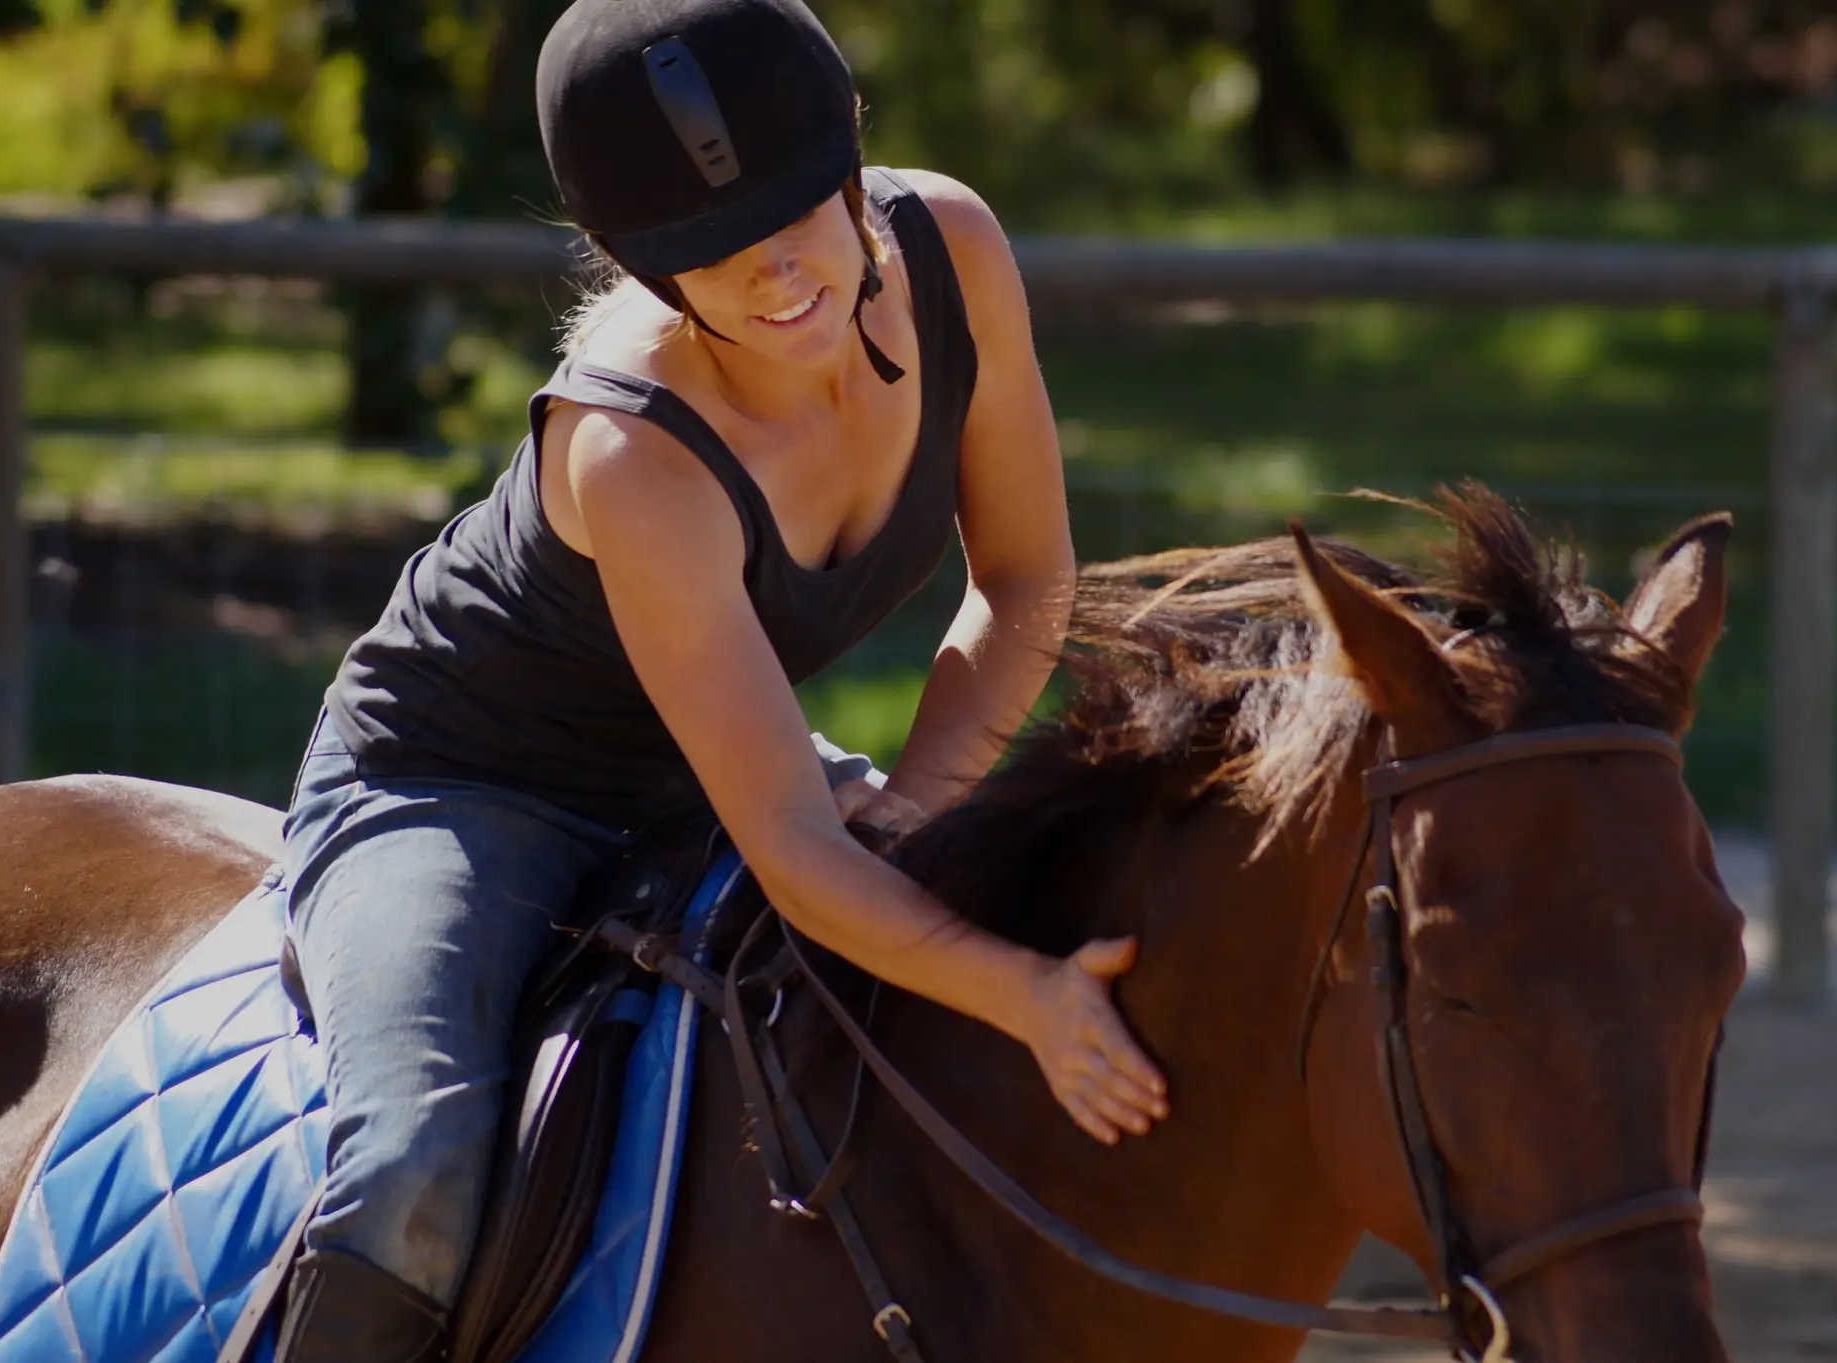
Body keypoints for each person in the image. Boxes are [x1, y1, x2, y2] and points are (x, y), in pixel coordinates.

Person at [270, 0, 1170, 1357]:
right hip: (455, 784)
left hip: (721, 760)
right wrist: (1023, 998)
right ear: (638, 264)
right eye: (710, 250)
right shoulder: (630, 448)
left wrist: (919, 813)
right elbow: (799, 850)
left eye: (798, 211)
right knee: (410, 1176)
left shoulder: (956, 250)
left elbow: (1028, 580)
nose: (777, 272)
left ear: (852, 159)